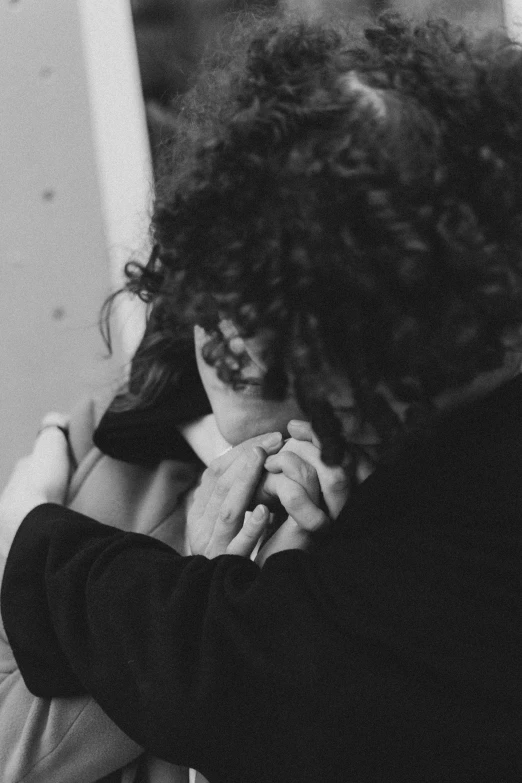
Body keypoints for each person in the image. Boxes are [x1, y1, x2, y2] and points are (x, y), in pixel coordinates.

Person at [2, 12, 522, 783]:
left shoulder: (417, 549)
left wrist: (33, 534)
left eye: (258, 337)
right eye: (212, 318)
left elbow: (260, 670)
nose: (221, 339)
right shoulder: (118, 437)